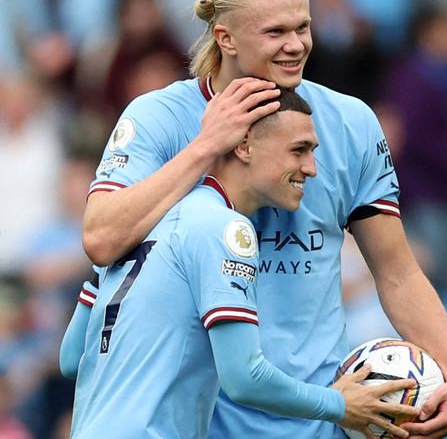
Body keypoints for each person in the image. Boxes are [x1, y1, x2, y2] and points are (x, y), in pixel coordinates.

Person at [81, 0, 447, 437]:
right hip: (204, 426)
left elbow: (396, 271)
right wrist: (207, 146)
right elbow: (101, 239)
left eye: (303, 27)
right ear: (226, 38)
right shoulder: (159, 117)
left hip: (323, 417)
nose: (296, 45)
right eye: (275, 32)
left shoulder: (351, 123)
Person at [60, 89, 420, 438]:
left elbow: (72, 358)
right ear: (244, 146)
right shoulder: (226, 228)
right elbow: (244, 376)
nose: (311, 168)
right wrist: (340, 404)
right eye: (299, 150)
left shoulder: (146, 224)